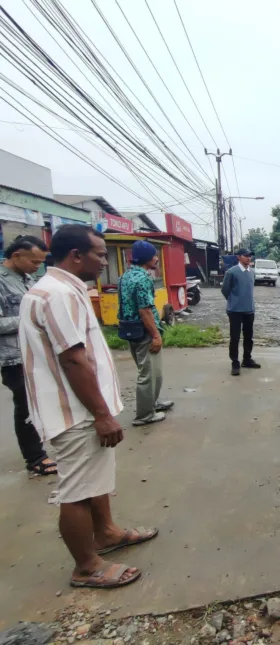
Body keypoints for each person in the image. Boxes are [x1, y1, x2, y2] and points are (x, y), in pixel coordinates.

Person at [18, 225, 157, 589]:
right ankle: (86, 566)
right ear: (76, 255)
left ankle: (107, 533)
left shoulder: (58, 290)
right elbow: (73, 360)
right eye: (99, 254)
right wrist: (101, 414)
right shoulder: (57, 295)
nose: (104, 261)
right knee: (77, 490)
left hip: (80, 409)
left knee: (94, 481)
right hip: (76, 412)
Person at [0, 235, 57, 476]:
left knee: (37, 402)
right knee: (25, 405)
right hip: (13, 356)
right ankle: (35, 458)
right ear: (16, 256)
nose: (38, 267)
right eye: (34, 262)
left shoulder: (26, 278)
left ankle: (39, 449)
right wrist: (31, 317)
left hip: (34, 351)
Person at [118, 240, 173, 426]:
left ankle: (152, 403)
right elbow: (145, 310)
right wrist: (156, 335)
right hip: (144, 332)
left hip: (129, 330)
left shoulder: (125, 276)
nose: (157, 259)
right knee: (149, 374)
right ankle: (144, 415)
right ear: (147, 258)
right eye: (154, 255)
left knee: (153, 372)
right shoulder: (143, 279)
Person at [221, 248, 259, 376]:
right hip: (235, 310)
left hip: (249, 309)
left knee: (249, 337)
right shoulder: (232, 272)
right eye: (246, 255)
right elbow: (225, 290)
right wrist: (233, 301)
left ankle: (247, 359)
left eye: (250, 256)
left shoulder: (251, 272)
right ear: (239, 257)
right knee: (235, 338)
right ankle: (235, 362)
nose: (249, 258)